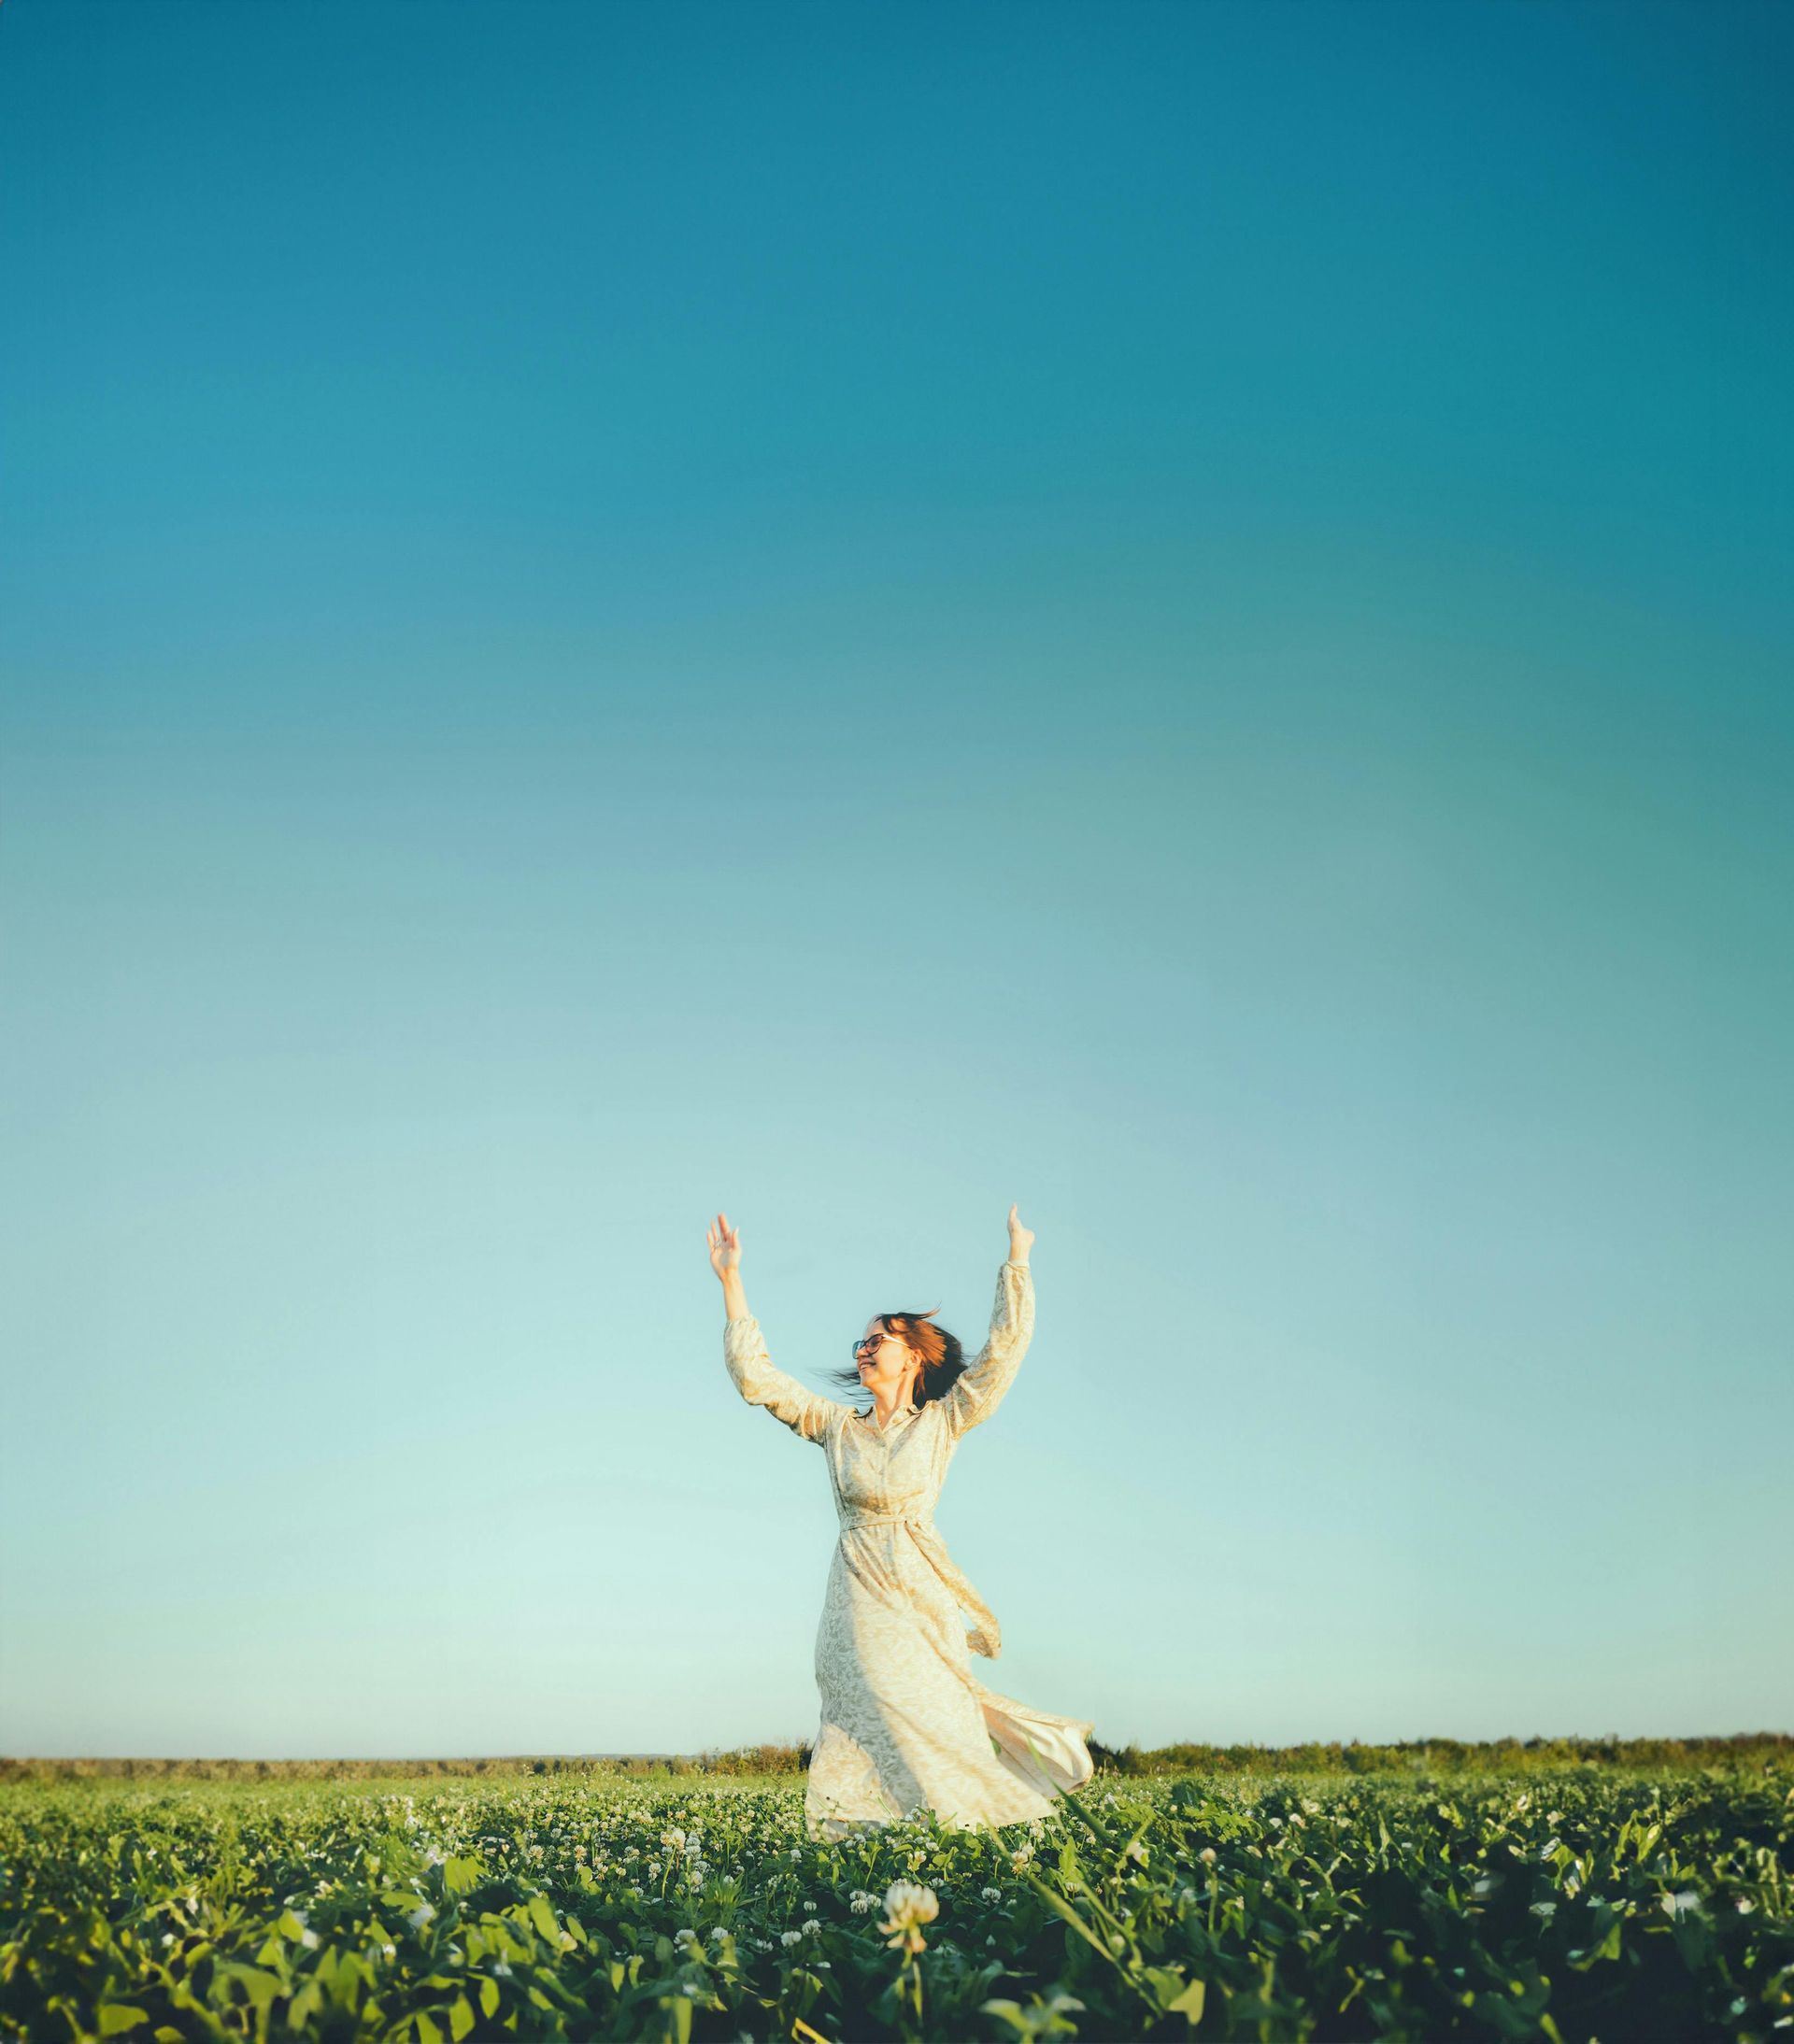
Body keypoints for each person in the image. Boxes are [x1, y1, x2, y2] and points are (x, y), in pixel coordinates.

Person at [706, 1203, 1094, 1840]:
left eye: (878, 1340)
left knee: (938, 1713)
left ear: (913, 1357)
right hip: (856, 1597)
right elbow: (758, 1379)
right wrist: (731, 1281)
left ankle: (964, 1835)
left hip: (920, 1589)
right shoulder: (836, 1428)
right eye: (861, 1342)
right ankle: (862, 1840)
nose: (863, 1349)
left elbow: (1003, 1355)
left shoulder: (944, 1422)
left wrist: (1017, 1260)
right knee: (863, 1712)